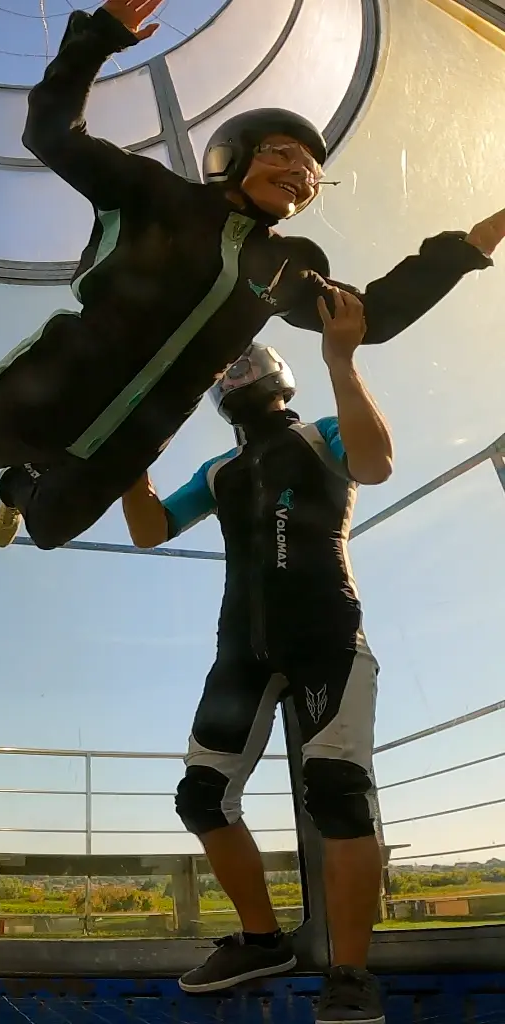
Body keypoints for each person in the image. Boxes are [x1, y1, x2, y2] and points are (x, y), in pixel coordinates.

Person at [0, 0, 502, 554]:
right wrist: (98, 37)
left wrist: (468, 248)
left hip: (136, 437)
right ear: (236, 156)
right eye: (284, 153)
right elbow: (51, 132)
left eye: (312, 170)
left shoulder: (289, 263)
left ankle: (15, 486)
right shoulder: (150, 193)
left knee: (50, 527)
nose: (303, 173)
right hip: (50, 386)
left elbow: (373, 317)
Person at [121, 293, 390, 1024]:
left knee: (337, 790)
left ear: (274, 374)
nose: (233, 368)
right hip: (241, 648)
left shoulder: (323, 432)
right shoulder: (217, 471)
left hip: (328, 634)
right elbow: (150, 529)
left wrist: (341, 358)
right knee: (201, 797)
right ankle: (264, 940)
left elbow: (377, 461)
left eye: (243, 357)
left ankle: (350, 975)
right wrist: (129, 465)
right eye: (223, 365)